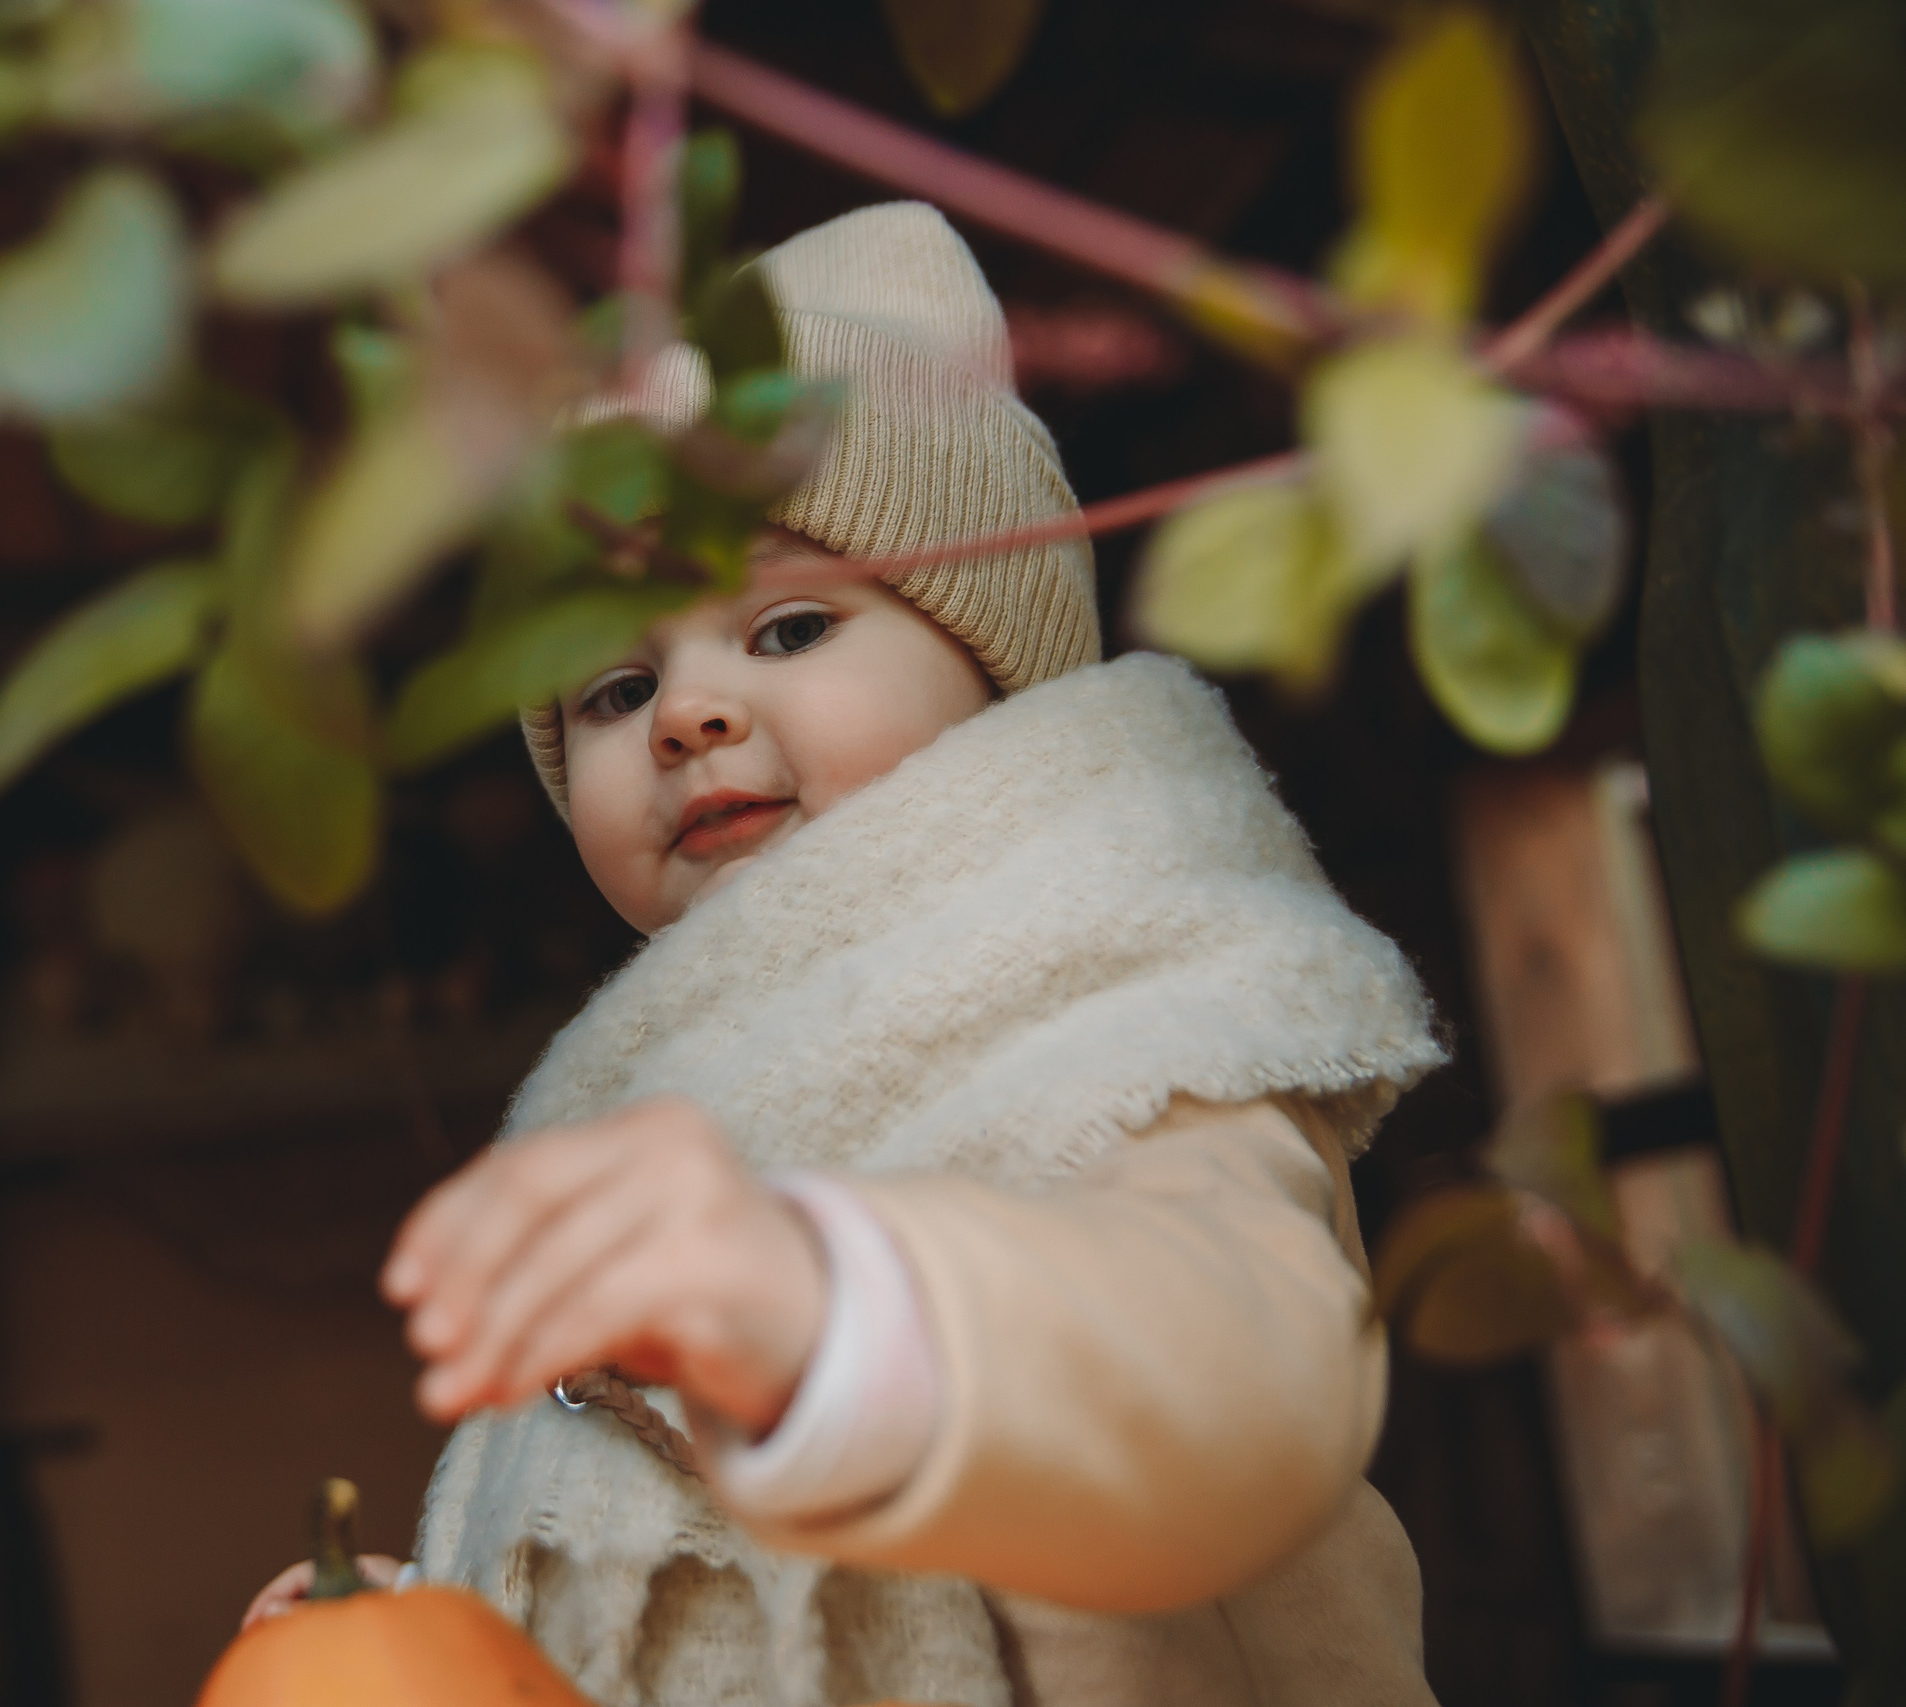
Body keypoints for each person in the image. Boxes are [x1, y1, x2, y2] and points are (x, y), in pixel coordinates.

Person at [246, 202, 1445, 1707]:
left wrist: (845, 1315)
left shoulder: (1115, 984)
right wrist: (455, 1637)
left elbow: (1242, 1387)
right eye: (617, 684)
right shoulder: (661, 1095)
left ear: (998, 665)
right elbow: (700, 1588)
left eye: (792, 629)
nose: (688, 712)